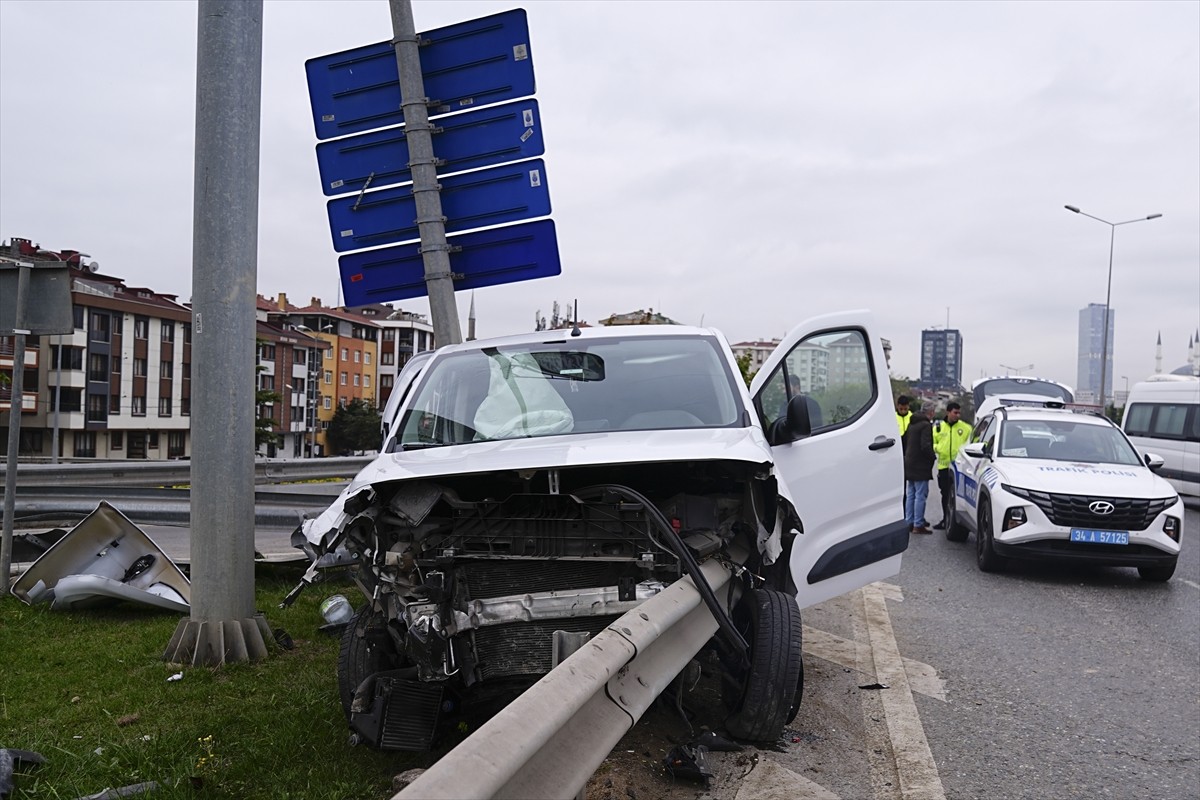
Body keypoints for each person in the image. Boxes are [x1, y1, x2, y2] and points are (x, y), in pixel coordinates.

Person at [932, 401, 973, 530]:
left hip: (959, 467)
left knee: (957, 495)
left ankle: (957, 521)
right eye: (955, 412)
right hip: (943, 466)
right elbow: (932, 443)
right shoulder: (938, 427)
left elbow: (972, 443)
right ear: (948, 412)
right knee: (945, 494)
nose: (958, 415)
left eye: (959, 412)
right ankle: (946, 519)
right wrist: (939, 448)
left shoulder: (966, 428)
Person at [903, 403, 935, 534]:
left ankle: (908, 521)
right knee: (920, 495)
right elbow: (925, 445)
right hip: (921, 465)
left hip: (910, 462)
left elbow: (904, 440)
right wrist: (932, 457)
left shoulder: (912, 424)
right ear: (930, 412)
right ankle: (918, 524)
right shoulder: (926, 425)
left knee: (911, 494)